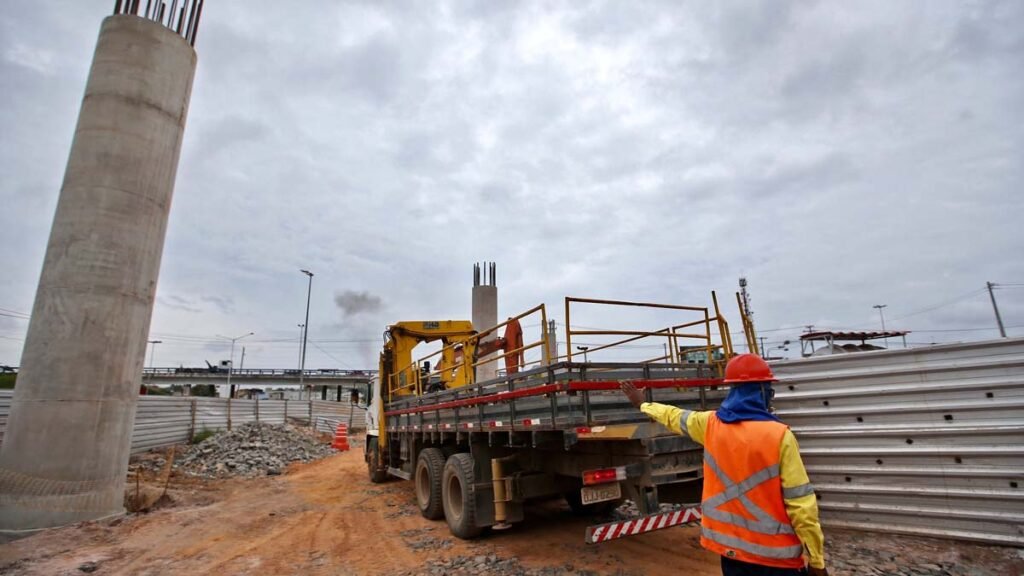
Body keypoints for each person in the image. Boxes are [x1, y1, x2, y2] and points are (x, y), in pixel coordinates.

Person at [620, 353, 828, 576]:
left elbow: (673, 416)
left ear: (733, 390)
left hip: (731, 553)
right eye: (768, 388)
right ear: (762, 392)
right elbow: (801, 505)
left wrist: (642, 404)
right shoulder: (779, 436)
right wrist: (816, 560)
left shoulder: (710, 425)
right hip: (775, 558)